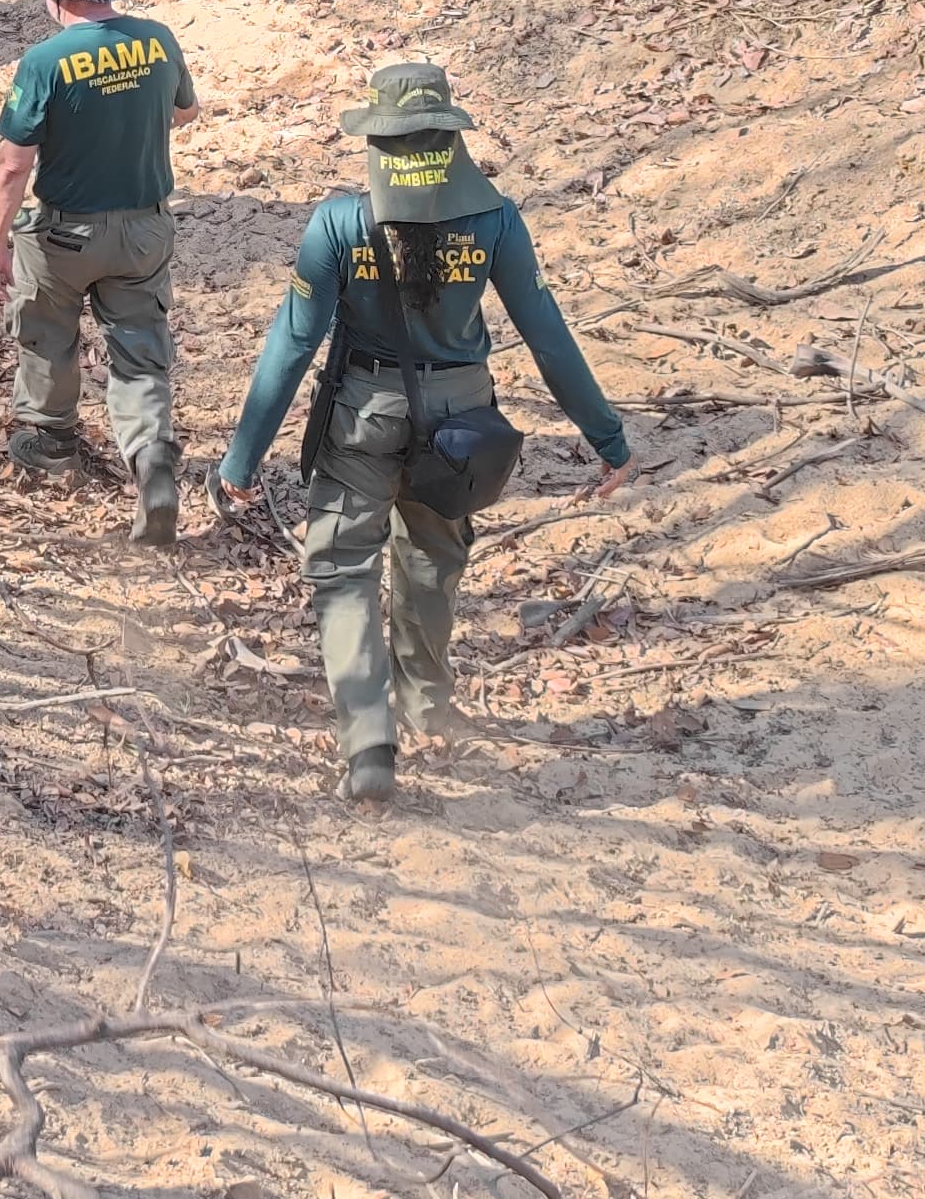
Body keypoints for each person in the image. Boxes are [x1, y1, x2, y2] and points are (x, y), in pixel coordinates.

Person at [213, 61, 632, 807]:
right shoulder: (495, 219)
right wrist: (608, 439)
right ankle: (428, 702)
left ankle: (369, 736)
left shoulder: (339, 224)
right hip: (463, 421)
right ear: (449, 139)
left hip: (361, 417)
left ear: (377, 140)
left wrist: (242, 456)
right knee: (435, 559)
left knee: (343, 569)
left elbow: (292, 341)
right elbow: (548, 335)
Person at [0, 0, 197, 546]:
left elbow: (12, 166)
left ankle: (50, 439)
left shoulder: (45, 62)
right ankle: (152, 457)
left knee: (47, 330)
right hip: (144, 228)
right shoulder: (157, 41)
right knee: (139, 347)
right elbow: (184, 110)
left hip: (66, 235)